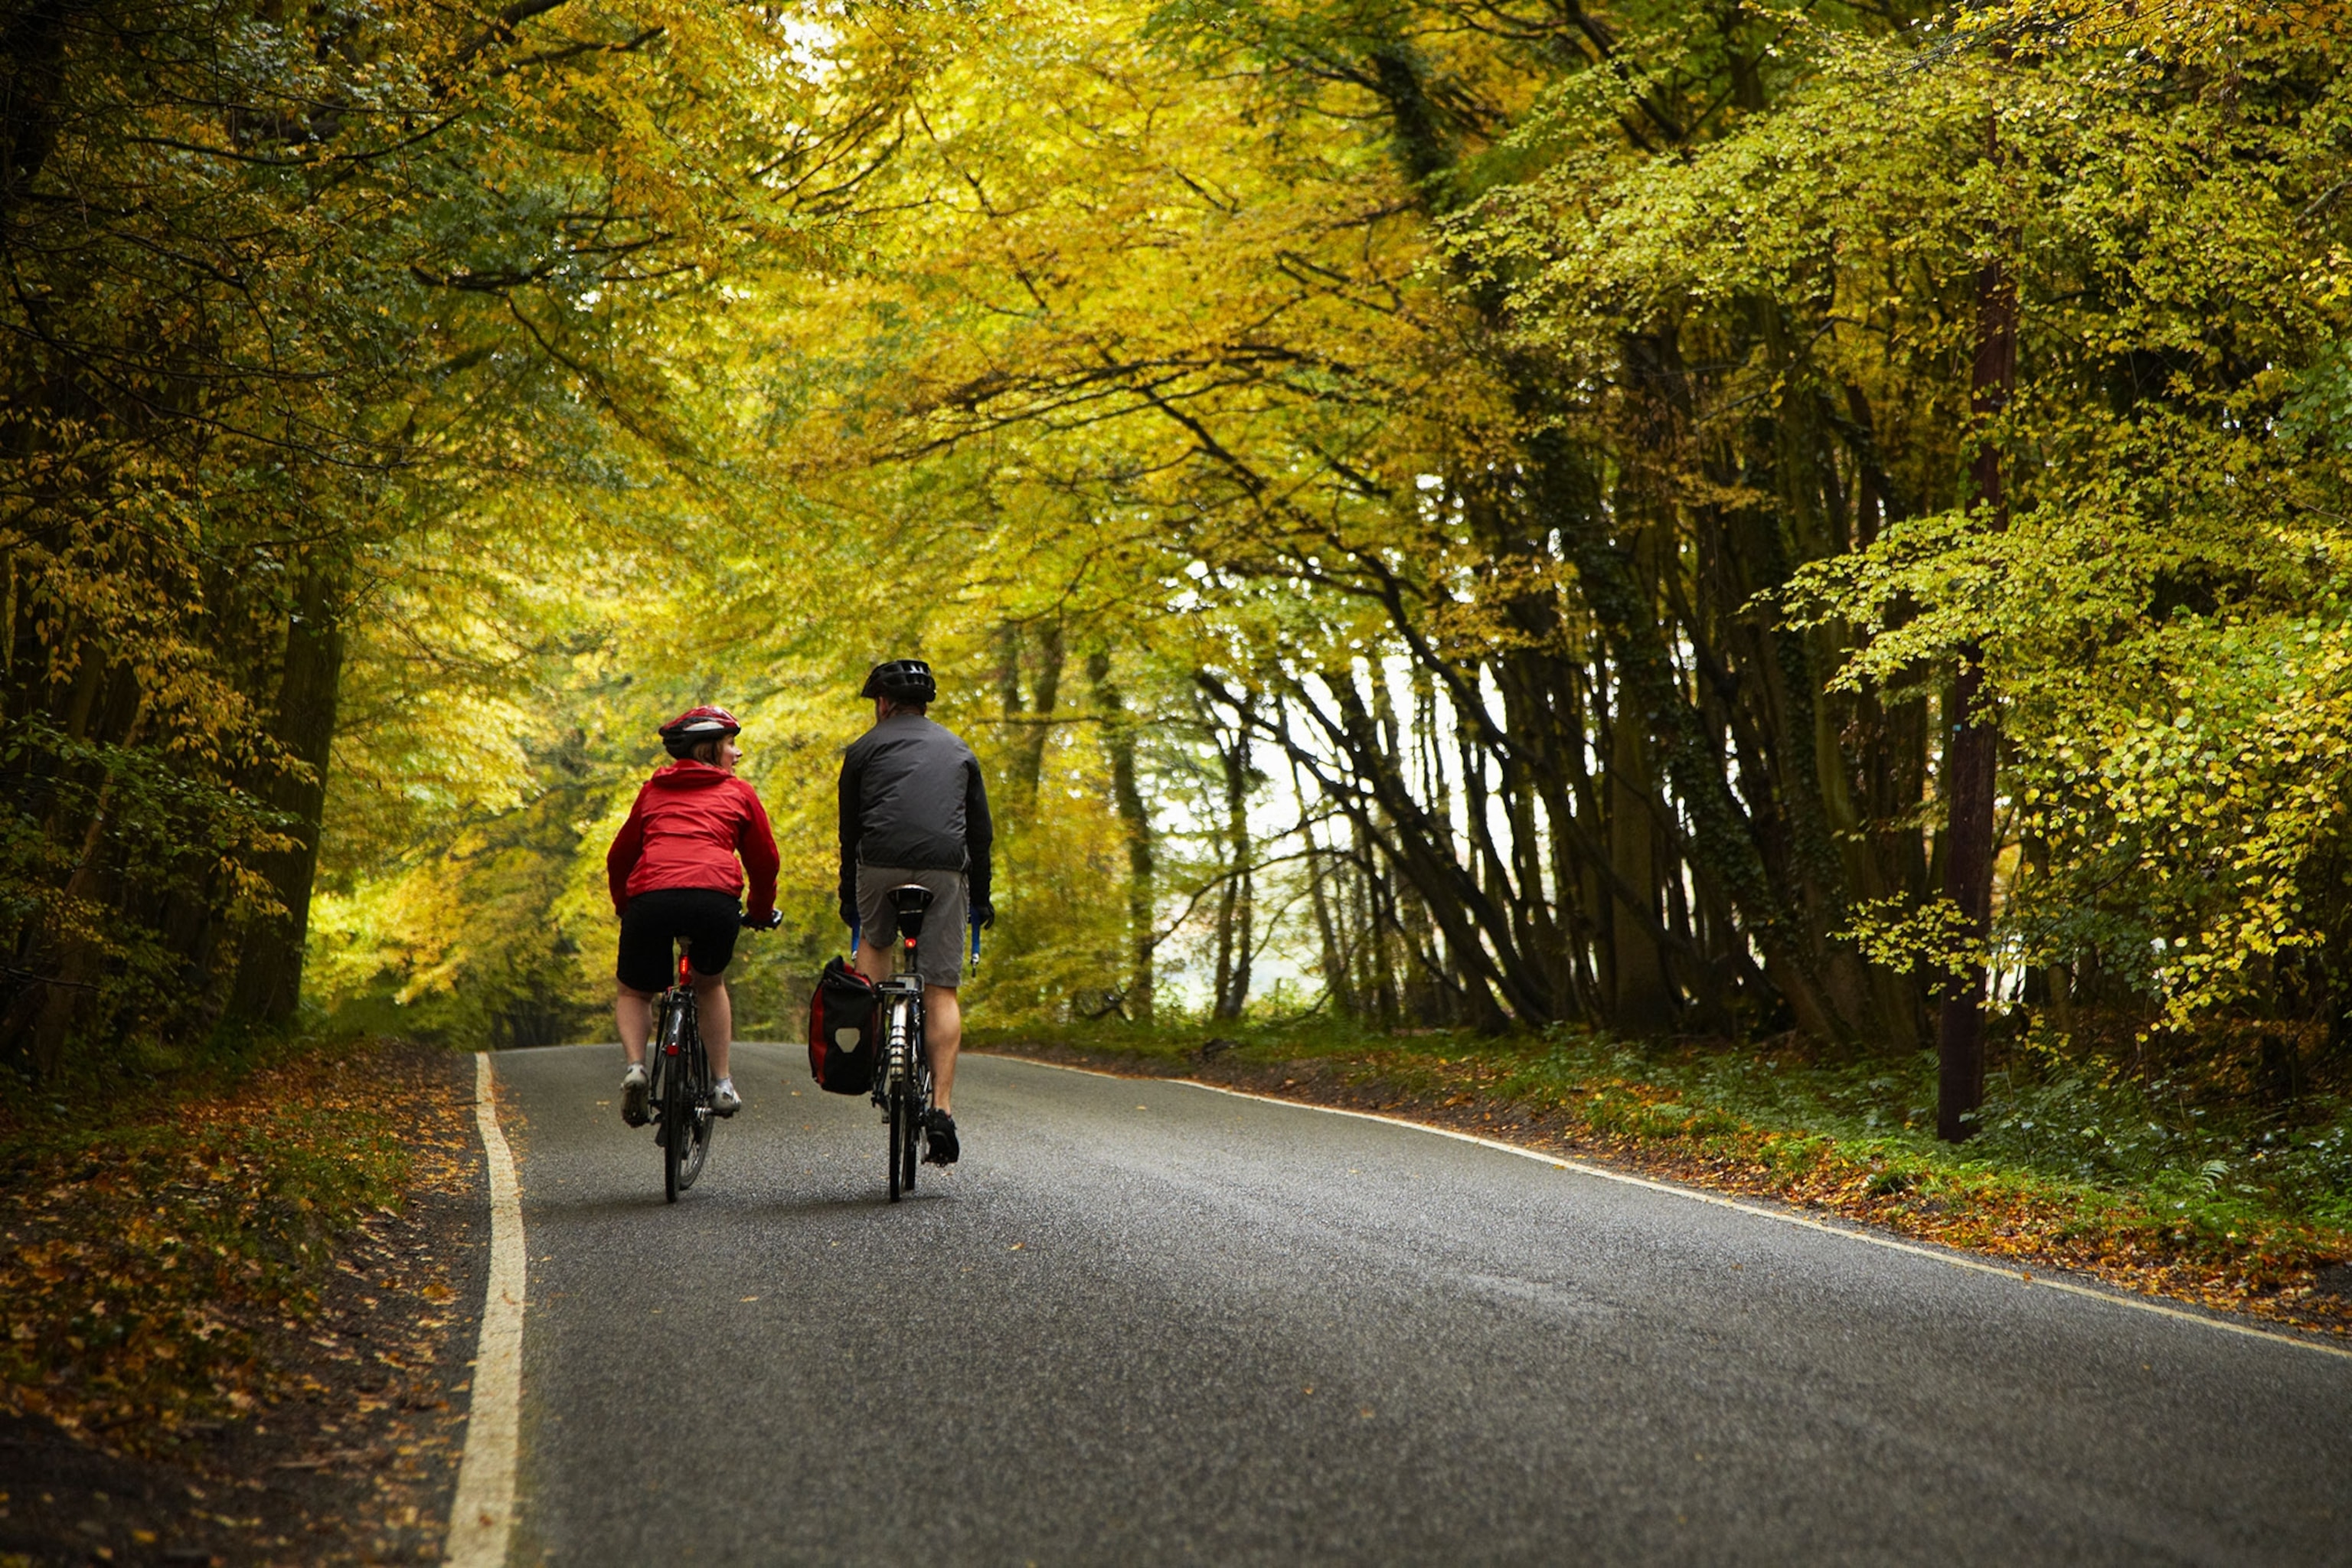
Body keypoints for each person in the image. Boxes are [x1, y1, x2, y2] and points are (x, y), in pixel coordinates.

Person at [838, 658, 993, 1165]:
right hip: (944, 870)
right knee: (942, 987)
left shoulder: (862, 749)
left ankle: (886, 1046)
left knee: (876, 947)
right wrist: (980, 897)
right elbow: (980, 834)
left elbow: (850, 833)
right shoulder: (959, 750)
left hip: (879, 865)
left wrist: (849, 897)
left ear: (883, 703)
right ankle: (942, 1112)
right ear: (925, 705)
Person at [608, 705, 781, 1125]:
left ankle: (636, 1068)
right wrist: (759, 911)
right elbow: (764, 862)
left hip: (652, 898)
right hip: (714, 900)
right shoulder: (740, 794)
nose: (737, 754)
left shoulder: (652, 792)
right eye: (730, 745)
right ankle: (721, 1083)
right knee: (709, 984)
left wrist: (625, 906)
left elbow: (620, 858)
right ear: (709, 750)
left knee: (634, 991)